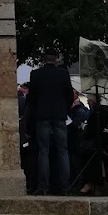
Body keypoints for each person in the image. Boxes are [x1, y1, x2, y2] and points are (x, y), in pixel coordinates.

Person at [24, 48, 76, 195]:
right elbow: (69, 95)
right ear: (56, 58)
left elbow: (31, 98)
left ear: (43, 58)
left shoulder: (36, 74)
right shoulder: (63, 74)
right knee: (62, 151)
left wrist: (36, 112)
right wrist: (64, 110)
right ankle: (65, 187)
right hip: (59, 116)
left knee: (43, 151)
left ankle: (43, 187)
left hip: (42, 116)